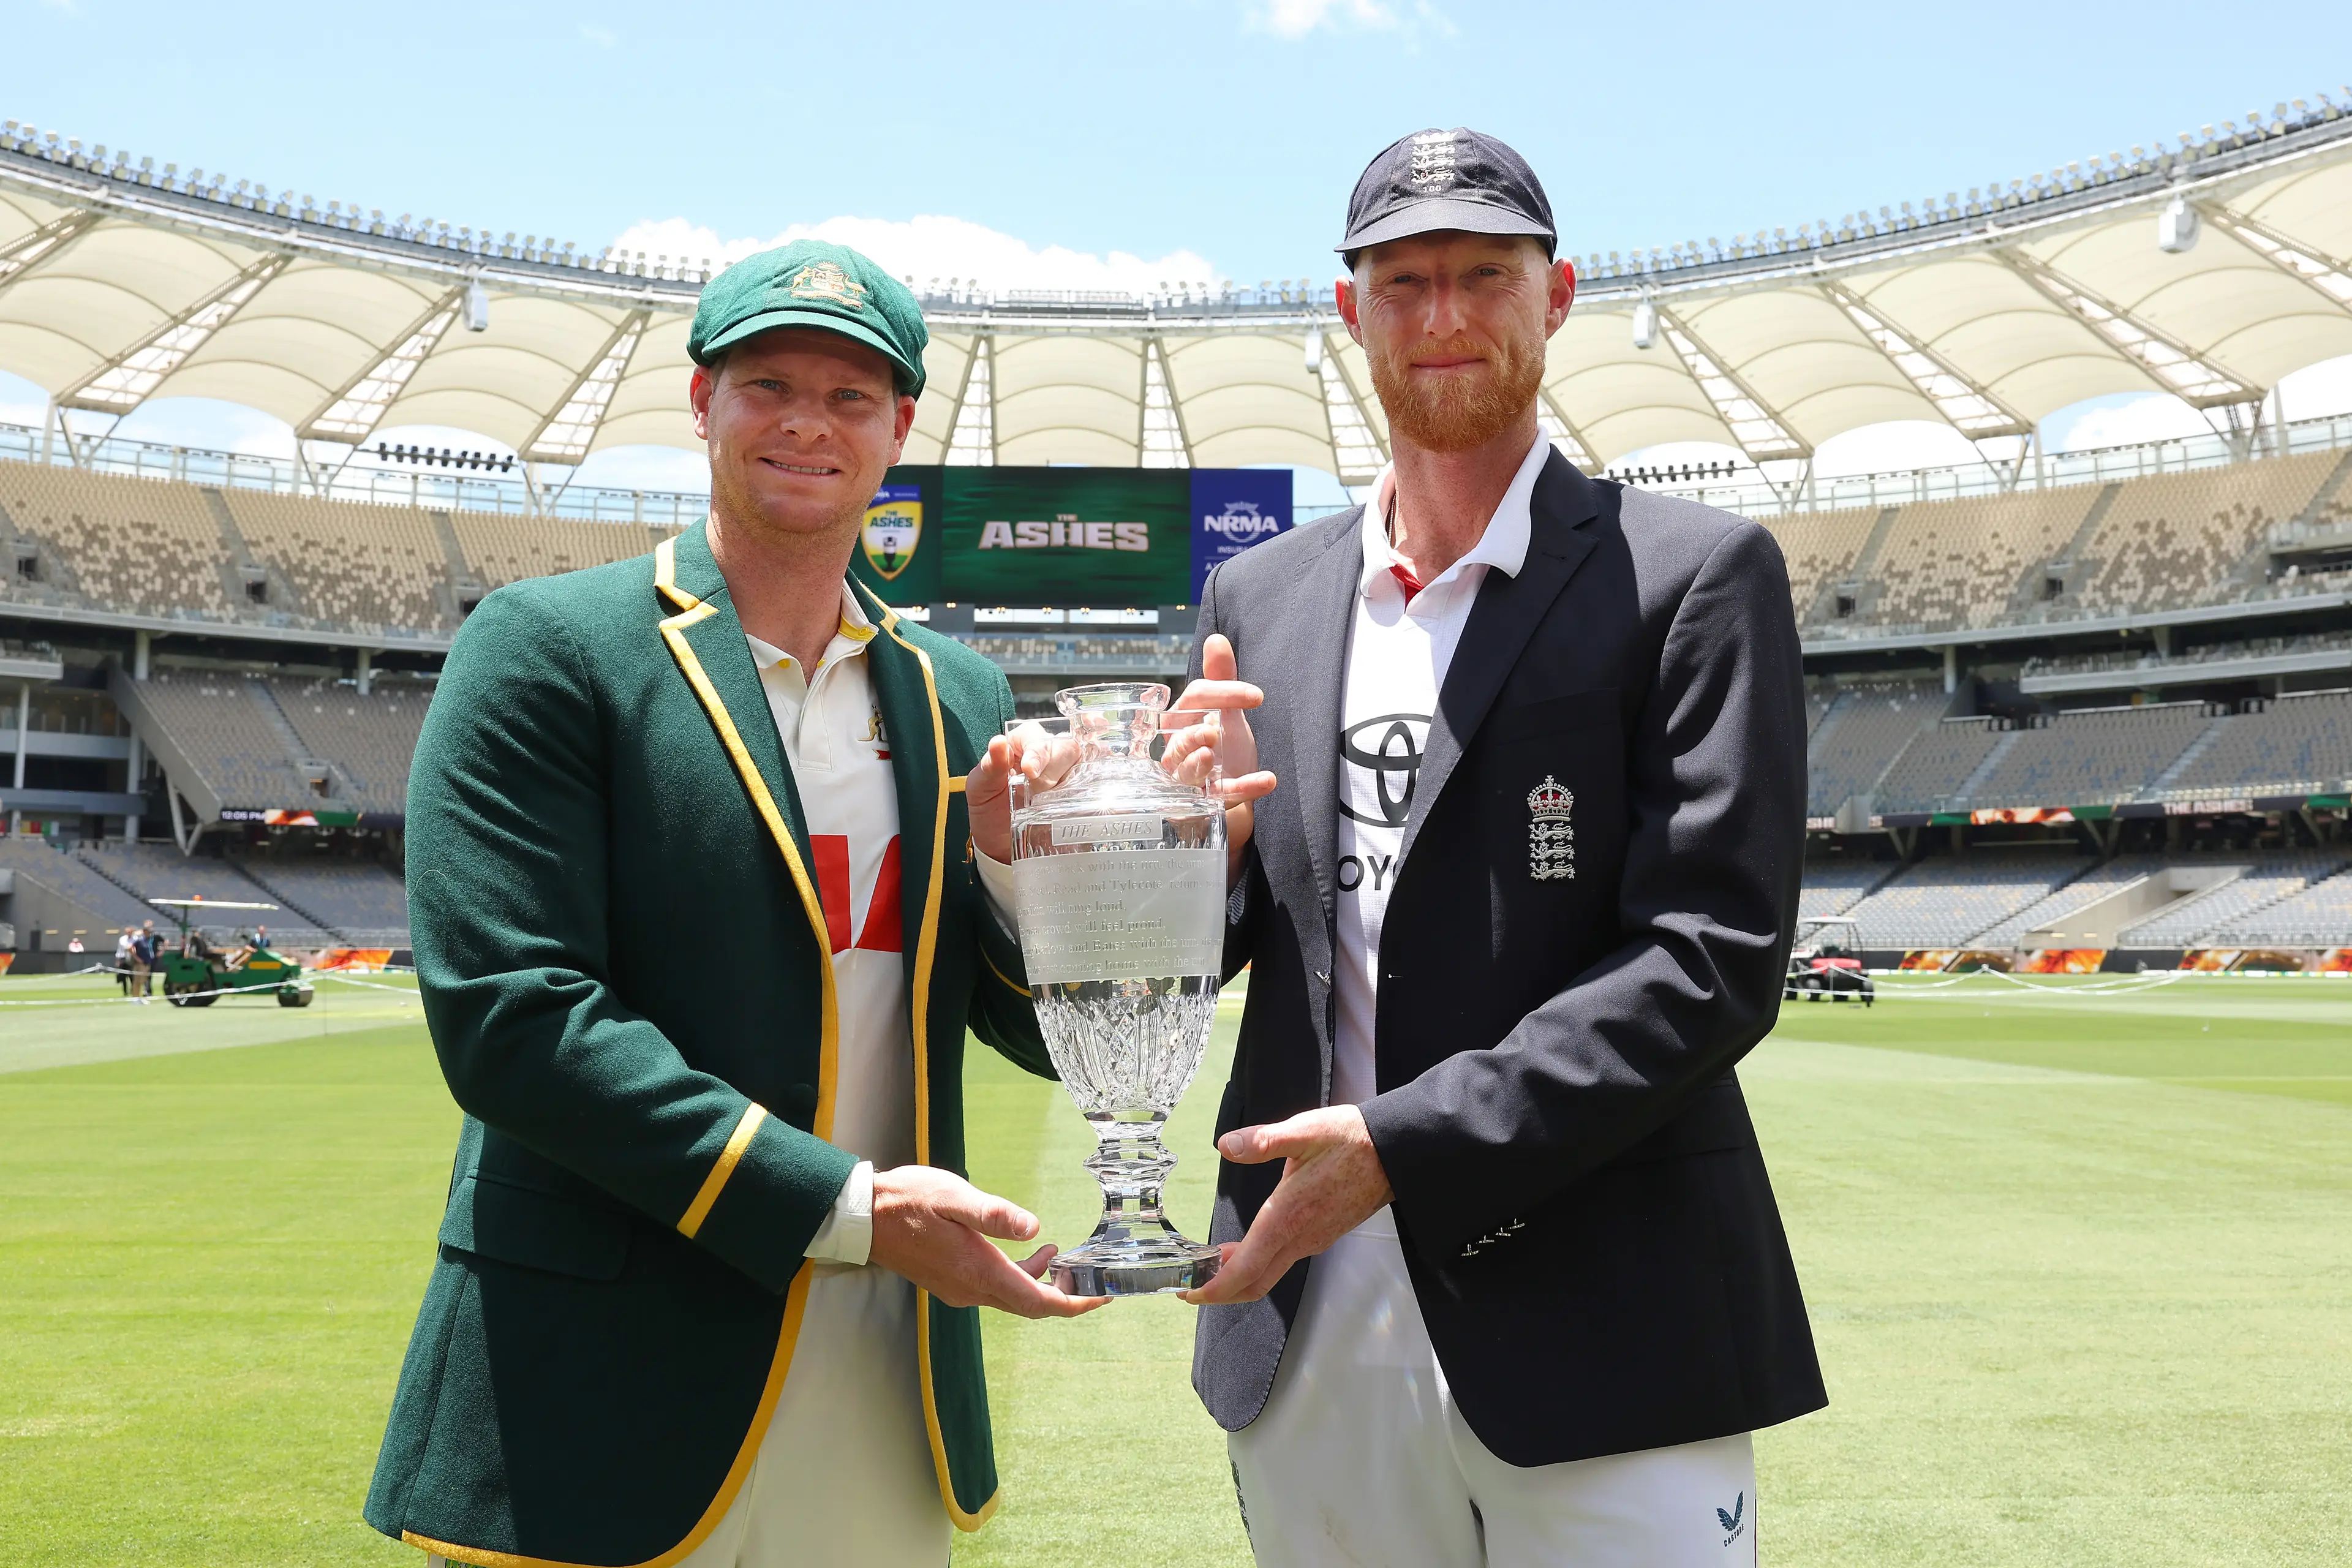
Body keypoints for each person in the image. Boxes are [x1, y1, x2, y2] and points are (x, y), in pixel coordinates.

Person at [366, 239, 1107, 1568]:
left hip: (885, 1382)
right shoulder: (547, 647)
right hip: (599, 1390)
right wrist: (851, 1208)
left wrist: (1039, 862)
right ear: (701, 402)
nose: (809, 422)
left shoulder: (960, 694)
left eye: (852, 396)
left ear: (900, 432)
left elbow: (1051, 1037)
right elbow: (511, 1019)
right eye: (768, 383)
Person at [1175, 129, 1825, 1566]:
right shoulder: (1260, 595)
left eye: (1484, 274)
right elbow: (1219, 939)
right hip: (1308, 1314)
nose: (1444, 316)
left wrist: (1402, 1146)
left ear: (1560, 294)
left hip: (1612, 1320)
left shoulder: (1695, 573)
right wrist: (1171, 858)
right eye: (1402, 282)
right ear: (1350, 315)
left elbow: (1711, 961)